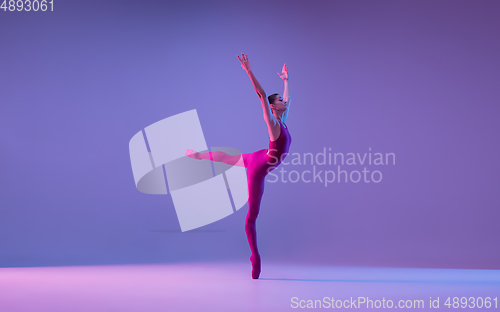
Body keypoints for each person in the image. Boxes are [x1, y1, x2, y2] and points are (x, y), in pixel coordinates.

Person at [185, 53, 291, 279]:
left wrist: (286, 82)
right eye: (281, 101)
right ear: (273, 107)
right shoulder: (273, 123)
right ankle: (255, 256)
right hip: (259, 167)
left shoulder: (283, 119)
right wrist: (248, 71)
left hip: (261, 155)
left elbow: (285, 100)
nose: (285, 101)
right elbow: (261, 94)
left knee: (227, 157)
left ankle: (197, 155)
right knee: (252, 217)